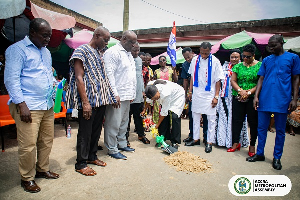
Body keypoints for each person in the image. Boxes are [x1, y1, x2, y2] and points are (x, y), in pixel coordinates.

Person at [4, 18, 59, 193]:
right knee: (28, 145)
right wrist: (21, 104)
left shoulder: (46, 52)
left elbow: (46, 75)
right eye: (44, 35)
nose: (47, 39)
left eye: (49, 36)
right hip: (28, 105)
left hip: (47, 104)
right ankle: (27, 178)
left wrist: (56, 83)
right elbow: (11, 80)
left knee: (46, 140)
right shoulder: (17, 50)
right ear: (32, 32)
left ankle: (42, 169)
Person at [66, 26, 116, 176]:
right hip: (88, 101)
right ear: (97, 35)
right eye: (105, 40)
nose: (106, 43)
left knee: (96, 131)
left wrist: (110, 96)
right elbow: (79, 77)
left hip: (100, 100)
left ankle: (92, 156)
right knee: (85, 132)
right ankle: (81, 163)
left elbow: (103, 78)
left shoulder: (99, 54)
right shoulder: (81, 51)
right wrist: (85, 103)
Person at [247, 35, 300, 170]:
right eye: (269, 45)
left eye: (274, 45)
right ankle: (260, 154)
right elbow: (261, 79)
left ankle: (277, 157)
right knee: (261, 128)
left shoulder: (293, 58)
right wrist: (256, 96)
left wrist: (294, 98)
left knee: (280, 131)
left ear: (281, 43)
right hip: (265, 98)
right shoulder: (266, 60)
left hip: (282, 99)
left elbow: (296, 78)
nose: (271, 47)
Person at [103, 30, 137, 160]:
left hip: (127, 95)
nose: (134, 46)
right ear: (123, 39)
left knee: (124, 122)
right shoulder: (112, 52)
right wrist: (114, 93)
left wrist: (132, 92)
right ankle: (112, 148)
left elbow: (131, 76)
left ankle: (122, 143)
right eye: (132, 42)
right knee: (113, 123)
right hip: (117, 95)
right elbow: (109, 74)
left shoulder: (128, 54)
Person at [188, 42, 224, 153]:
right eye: (202, 52)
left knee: (211, 119)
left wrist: (216, 96)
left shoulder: (215, 61)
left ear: (210, 51)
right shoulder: (195, 60)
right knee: (195, 117)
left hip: (210, 95)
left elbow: (218, 80)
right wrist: (190, 91)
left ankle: (209, 142)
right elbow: (192, 77)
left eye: (206, 53)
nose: (203, 55)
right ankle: (195, 139)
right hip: (197, 94)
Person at [230, 44, 261, 156]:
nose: (245, 58)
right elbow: (233, 80)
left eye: (248, 56)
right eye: (244, 56)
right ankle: (235, 143)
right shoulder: (238, 66)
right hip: (238, 96)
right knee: (237, 121)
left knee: (253, 122)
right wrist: (240, 91)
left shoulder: (259, 66)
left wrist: (248, 92)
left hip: (253, 98)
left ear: (253, 55)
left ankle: (252, 146)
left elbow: (260, 82)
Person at [216, 49, 249, 149]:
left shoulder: (243, 67)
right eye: (232, 57)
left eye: (236, 57)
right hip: (224, 98)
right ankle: (223, 141)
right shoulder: (224, 67)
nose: (234, 59)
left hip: (237, 96)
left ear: (240, 58)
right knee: (224, 117)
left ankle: (236, 141)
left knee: (237, 119)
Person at [144, 80, 185, 146]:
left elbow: (164, 113)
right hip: (168, 97)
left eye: (156, 97)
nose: (155, 99)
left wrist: (157, 125)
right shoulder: (150, 87)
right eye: (153, 99)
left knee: (175, 117)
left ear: (157, 91)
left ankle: (175, 141)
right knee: (165, 118)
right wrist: (144, 109)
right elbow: (149, 100)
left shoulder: (165, 93)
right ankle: (163, 137)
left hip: (177, 96)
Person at [181, 47, 208, 146]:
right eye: (185, 58)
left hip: (204, 92)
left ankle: (206, 137)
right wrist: (186, 93)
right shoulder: (185, 65)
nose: (187, 59)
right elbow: (185, 80)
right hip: (193, 92)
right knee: (192, 115)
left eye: (188, 57)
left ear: (193, 53)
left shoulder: (202, 61)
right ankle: (192, 135)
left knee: (205, 114)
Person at [127, 42, 150, 145]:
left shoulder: (139, 60)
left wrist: (142, 91)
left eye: (138, 50)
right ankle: (124, 138)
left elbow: (140, 78)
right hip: (128, 96)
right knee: (126, 119)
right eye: (134, 50)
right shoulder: (126, 59)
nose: (136, 52)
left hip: (138, 95)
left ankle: (141, 135)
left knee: (139, 117)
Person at [152, 55, 178, 124]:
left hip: (169, 93)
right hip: (159, 94)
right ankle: (158, 128)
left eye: (163, 60)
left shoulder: (171, 70)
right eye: (160, 61)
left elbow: (176, 80)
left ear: (166, 61)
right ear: (159, 62)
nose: (162, 62)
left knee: (168, 110)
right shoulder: (156, 71)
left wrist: (174, 71)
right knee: (158, 110)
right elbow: (154, 82)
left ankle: (168, 128)